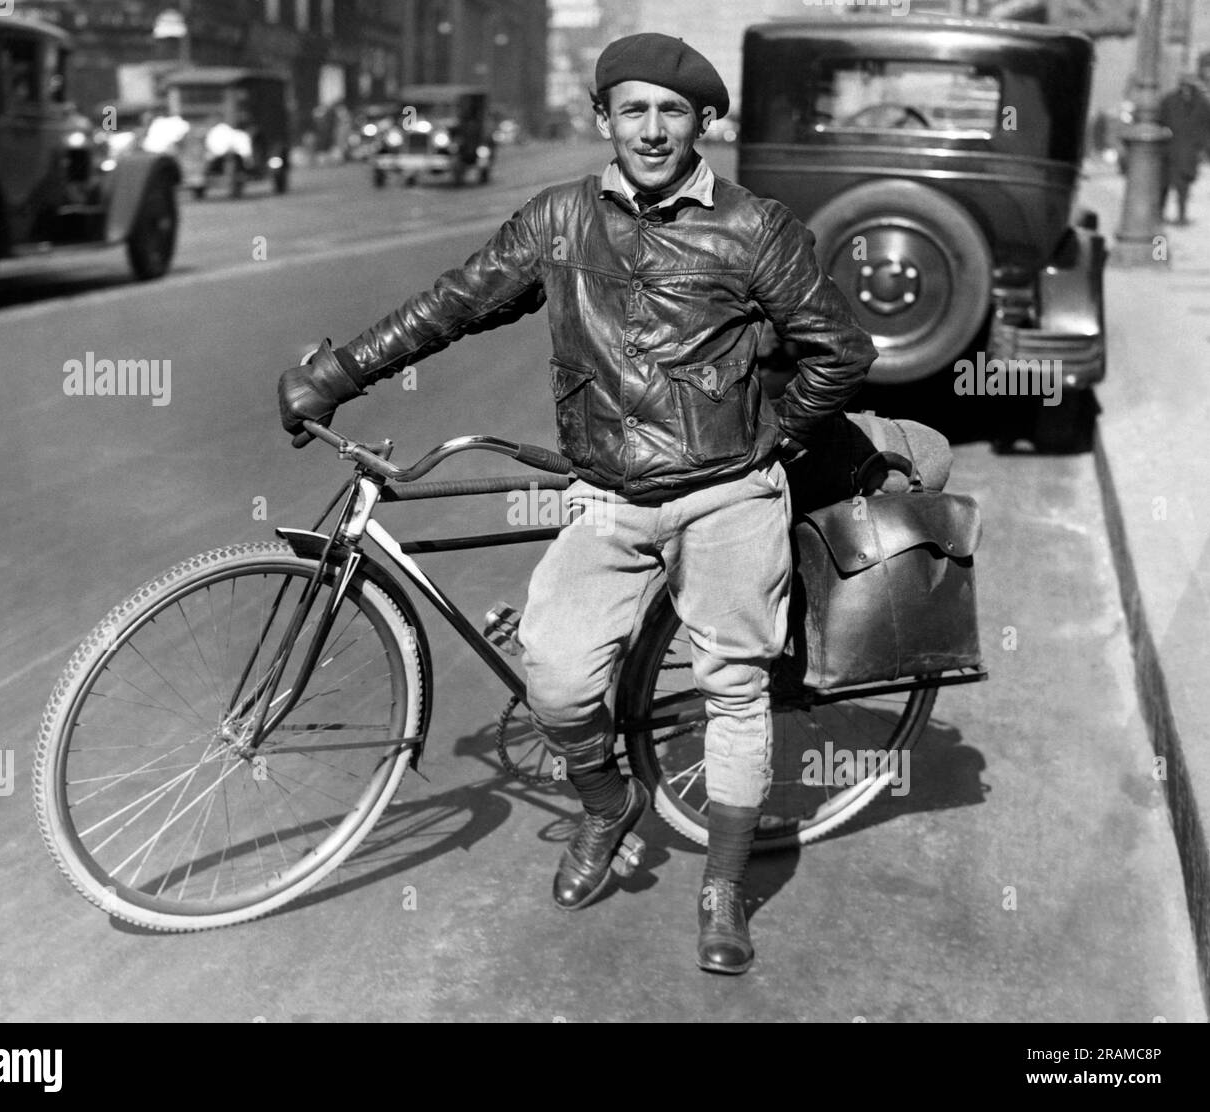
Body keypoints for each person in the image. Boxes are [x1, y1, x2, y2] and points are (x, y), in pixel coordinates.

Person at [278, 32, 876, 975]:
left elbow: (841, 349)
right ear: (603, 119)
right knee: (554, 677)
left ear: (701, 123)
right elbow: (455, 303)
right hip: (608, 496)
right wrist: (342, 372)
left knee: (734, 686)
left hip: (726, 499)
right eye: (632, 109)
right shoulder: (559, 220)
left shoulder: (754, 228)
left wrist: (771, 441)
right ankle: (607, 805)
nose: (651, 129)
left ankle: (721, 886)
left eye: (672, 111)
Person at [1157, 73, 1210, 225]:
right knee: (1164, 185)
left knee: (1183, 186)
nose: (1186, 89)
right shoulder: (1169, 100)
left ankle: (1181, 215)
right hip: (1169, 150)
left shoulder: (1202, 103)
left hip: (1188, 151)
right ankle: (1159, 214)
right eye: (1184, 86)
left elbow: (1208, 126)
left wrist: (1202, 145)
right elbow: (1160, 120)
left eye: (1189, 86)